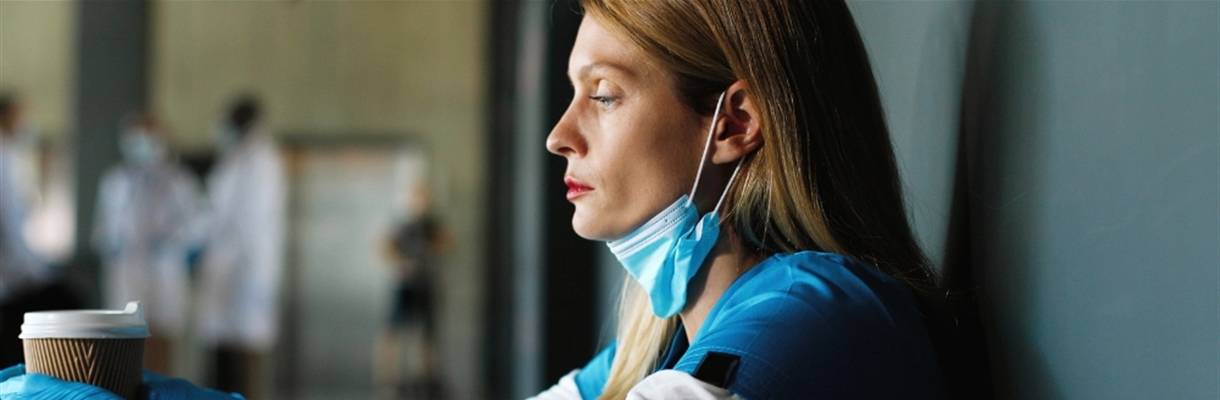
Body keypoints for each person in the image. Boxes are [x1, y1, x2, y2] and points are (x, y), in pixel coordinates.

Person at [531, 1, 946, 398]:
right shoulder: (655, 346)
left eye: (603, 96)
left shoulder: (817, 315)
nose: (558, 137)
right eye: (574, 93)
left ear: (735, 123)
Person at [92, 113, 205, 374]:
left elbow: (198, 225)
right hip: (126, 274)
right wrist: (115, 243)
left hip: (163, 274)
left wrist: (169, 242)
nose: (140, 144)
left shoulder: (179, 181)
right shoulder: (115, 181)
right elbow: (102, 230)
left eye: (146, 137)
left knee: (161, 349)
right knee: (125, 351)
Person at [194, 96, 287, 400]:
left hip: (247, 268)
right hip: (228, 266)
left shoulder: (261, 160)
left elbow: (253, 222)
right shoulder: (236, 159)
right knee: (222, 353)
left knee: (245, 357)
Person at [0, 93, 84, 369]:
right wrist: (35, 272)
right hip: (13, 278)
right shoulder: (5, 157)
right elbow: (10, 225)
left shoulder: (11, 157)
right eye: (22, 116)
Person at [374, 186, 449, 400]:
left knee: (427, 337)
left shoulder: (431, 225)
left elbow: (446, 244)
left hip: (425, 285)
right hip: (405, 285)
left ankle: (426, 381)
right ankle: (388, 383)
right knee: (392, 335)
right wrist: (400, 266)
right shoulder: (401, 225)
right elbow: (384, 248)